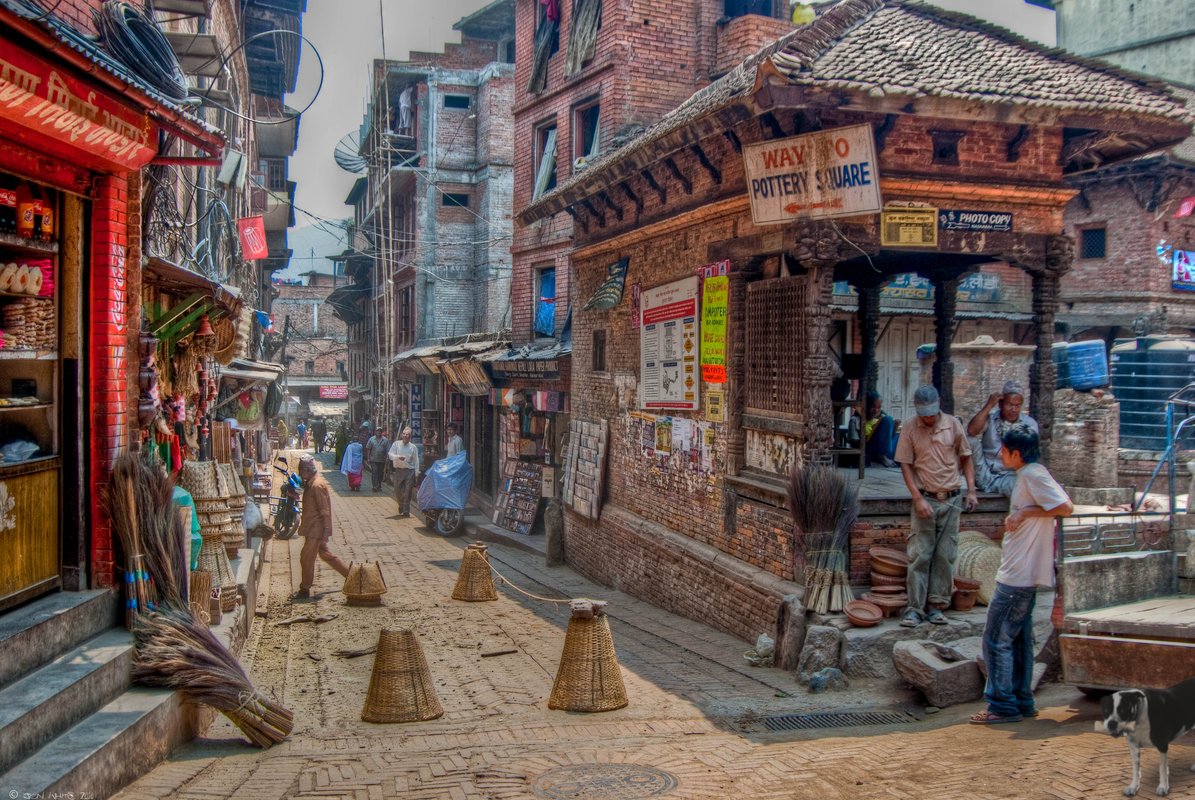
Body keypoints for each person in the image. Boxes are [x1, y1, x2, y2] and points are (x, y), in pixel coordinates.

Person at [971, 425, 1072, 725]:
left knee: (996, 639)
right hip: (1023, 574)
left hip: (1017, 576)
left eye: (1004, 449)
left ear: (1016, 453)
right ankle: (1022, 701)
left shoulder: (1032, 474)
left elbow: (1065, 507)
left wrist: (1023, 513)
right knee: (1018, 640)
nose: (1000, 453)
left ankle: (1002, 705)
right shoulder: (1029, 475)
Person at [895, 384, 979, 628]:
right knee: (920, 554)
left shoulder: (953, 424)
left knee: (945, 555)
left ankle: (937, 606)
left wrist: (971, 491)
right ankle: (914, 609)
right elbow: (905, 466)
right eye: (925, 414)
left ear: (939, 403)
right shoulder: (910, 428)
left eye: (932, 413)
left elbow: (966, 458)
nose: (929, 418)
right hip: (925, 498)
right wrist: (918, 498)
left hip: (951, 499)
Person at [966, 381, 1039, 498]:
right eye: (1009, 405)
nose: (1014, 409)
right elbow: (971, 431)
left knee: (1022, 489)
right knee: (969, 440)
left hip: (1010, 475)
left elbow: (1030, 457)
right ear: (1001, 404)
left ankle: (998, 486)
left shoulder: (1029, 424)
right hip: (984, 471)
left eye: (1018, 406)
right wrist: (989, 405)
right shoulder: (991, 418)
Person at [293, 455, 350, 600]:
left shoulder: (317, 486)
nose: (300, 474)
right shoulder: (310, 484)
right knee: (326, 555)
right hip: (312, 527)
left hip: (316, 529)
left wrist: (325, 531)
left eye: (302, 471)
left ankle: (305, 588)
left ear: (307, 470)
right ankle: (350, 575)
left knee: (306, 557)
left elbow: (324, 511)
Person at [388, 427, 420, 516]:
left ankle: (406, 509)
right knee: (397, 490)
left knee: (408, 491)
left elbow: (416, 461)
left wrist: (416, 474)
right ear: (402, 435)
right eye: (404, 434)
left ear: (410, 436)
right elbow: (390, 455)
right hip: (398, 470)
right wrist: (398, 457)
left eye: (407, 434)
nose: (405, 436)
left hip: (409, 471)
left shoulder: (413, 447)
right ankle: (401, 504)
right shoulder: (396, 444)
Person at [864, 391, 897, 468]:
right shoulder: (858, 419)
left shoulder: (880, 417)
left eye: (879, 407)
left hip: (885, 449)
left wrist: (895, 427)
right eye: (873, 406)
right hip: (871, 449)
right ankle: (881, 456)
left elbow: (890, 438)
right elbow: (854, 441)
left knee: (902, 434)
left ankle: (898, 458)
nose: (876, 410)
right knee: (888, 419)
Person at [365, 427, 391, 492]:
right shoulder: (371, 439)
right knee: (375, 471)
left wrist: (387, 458)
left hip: (382, 459)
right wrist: (368, 458)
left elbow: (388, 450)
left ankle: (379, 485)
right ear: (375, 432)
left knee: (380, 473)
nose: (378, 432)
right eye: (377, 431)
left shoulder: (385, 440)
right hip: (373, 459)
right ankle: (375, 486)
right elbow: (368, 449)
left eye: (380, 431)